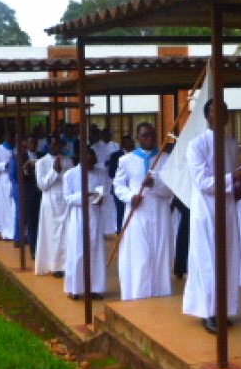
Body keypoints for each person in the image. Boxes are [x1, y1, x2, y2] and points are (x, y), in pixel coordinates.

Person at [182, 100, 241, 335]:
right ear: (207, 116)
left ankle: (224, 308)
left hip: (227, 209)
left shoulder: (231, 143)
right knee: (208, 260)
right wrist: (233, 177)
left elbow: (231, 177)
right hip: (206, 211)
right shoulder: (196, 145)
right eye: (216, 111)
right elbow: (203, 182)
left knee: (228, 257)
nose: (222, 115)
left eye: (225, 111)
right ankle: (208, 312)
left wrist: (236, 186)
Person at [113, 123, 175, 300]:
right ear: (138, 138)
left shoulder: (165, 159)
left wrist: (155, 185)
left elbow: (171, 189)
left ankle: (160, 293)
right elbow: (118, 186)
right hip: (137, 214)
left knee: (160, 254)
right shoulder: (126, 160)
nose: (149, 139)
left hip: (160, 214)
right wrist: (131, 197)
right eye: (145, 136)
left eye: (152, 135)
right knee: (140, 256)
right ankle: (138, 294)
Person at [63, 145, 108, 301]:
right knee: (78, 251)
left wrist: (100, 198)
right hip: (78, 216)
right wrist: (84, 195)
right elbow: (67, 198)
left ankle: (95, 288)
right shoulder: (70, 175)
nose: (91, 163)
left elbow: (105, 193)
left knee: (95, 252)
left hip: (95, 215)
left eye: (93, 159)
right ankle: (75, 288)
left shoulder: (100, 174)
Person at [34, 136, 72, 276]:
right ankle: (55, 266)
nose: (57, 147)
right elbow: (42, 185)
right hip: (50, 202)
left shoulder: (68, 161)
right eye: (54, 144)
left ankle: (66, 264)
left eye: (59, 144)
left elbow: (71, 180)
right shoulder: (41, 163)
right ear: (49, 145)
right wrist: (54, 171)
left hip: (65, 201)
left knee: (66, 234)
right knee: (52, 235)